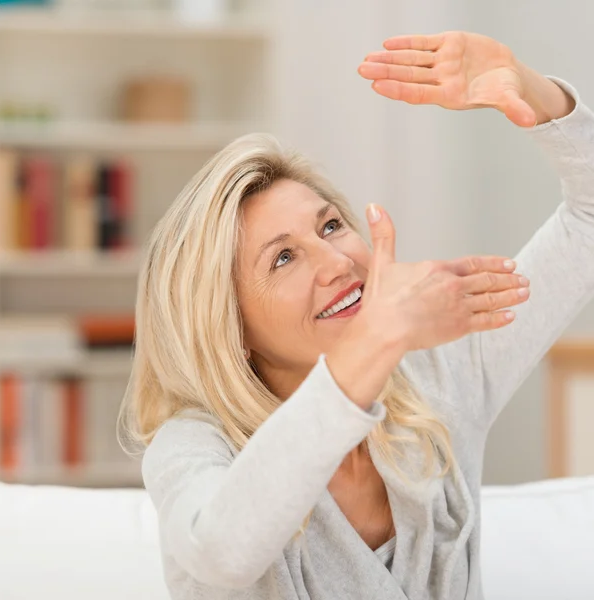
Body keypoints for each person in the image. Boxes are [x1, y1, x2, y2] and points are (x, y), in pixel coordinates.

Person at [118, 30, 592, 600]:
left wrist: (536, 94)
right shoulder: (193, 445)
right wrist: (377, 343)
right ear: (230, 326)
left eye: (331, 225)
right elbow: (221, 553)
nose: (337, 260)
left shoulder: (438, 382)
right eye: (285, 258)